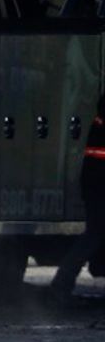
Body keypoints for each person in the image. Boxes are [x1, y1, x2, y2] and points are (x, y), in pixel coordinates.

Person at [50, 93, 105, 300]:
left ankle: (62, 283)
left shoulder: (100, 119)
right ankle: (61, 284)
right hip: (100, 183)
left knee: (94, 234)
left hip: (95, 182)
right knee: (94, 234)